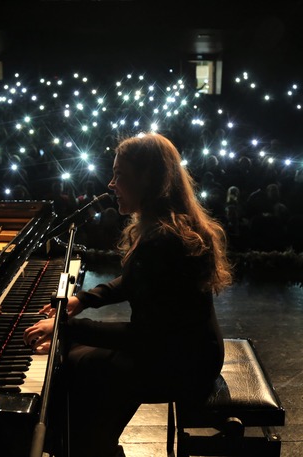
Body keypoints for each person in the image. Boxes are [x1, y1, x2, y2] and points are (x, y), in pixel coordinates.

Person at [23, 132, 233, 457]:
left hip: (186, 363)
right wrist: (83, 300)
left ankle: (89, 445)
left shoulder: (163, 240)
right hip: (184, 348)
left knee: (79, 364)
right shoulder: (162, 226)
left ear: (148, 178)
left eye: (120, 175)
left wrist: (65, 328)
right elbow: (133, 282)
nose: (111, 184)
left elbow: (144, 335)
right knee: (74, 356)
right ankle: (89, 443)